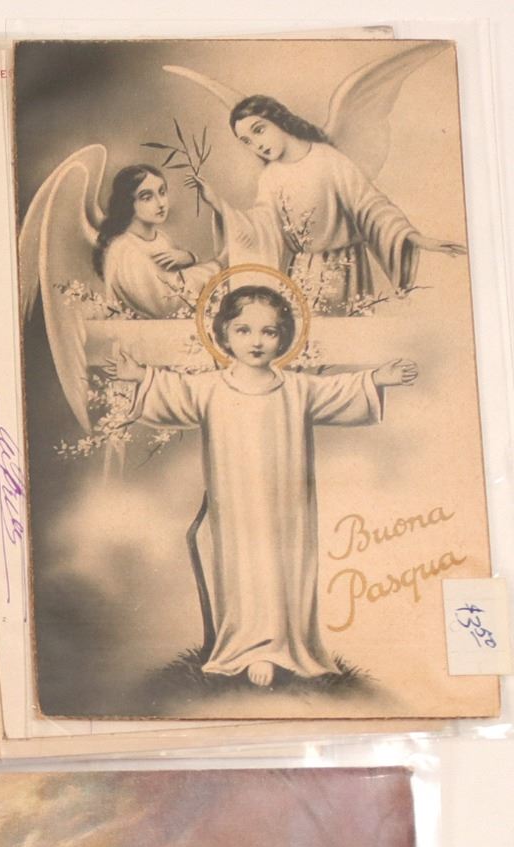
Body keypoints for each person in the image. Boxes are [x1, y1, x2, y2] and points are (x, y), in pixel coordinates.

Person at [112, 281, 415, 687]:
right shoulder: (211, 387)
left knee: (286, 565)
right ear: (224, 334)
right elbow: (174, 391)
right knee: (242, 567)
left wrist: (378, 378)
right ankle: (246, 648)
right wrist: (139, 376)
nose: (256, 341)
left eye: (268, 331)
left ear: (283, 336)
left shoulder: (297, 388)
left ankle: (287, 648)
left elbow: (340, 390)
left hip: (287, 503)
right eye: (244, 330)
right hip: (235, 499)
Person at [189, 93, 463, 314]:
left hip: (346, 270)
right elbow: (262, 228)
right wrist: (219, 204)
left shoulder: (327, 159)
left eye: (259, 131)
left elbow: (370, 205)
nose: (256, 145)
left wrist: (415, 238)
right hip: (302, 273)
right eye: (247, 142)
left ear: (279, 120)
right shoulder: (270, 177)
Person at [93, 164, 219, 318]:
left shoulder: (162, 239)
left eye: (162, 192)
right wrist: (214, 269)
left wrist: (190, 258)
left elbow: (174, 279)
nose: (161, 203)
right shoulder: (125, 250)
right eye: (147, 197)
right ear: (127, 204)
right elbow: (165, 304)